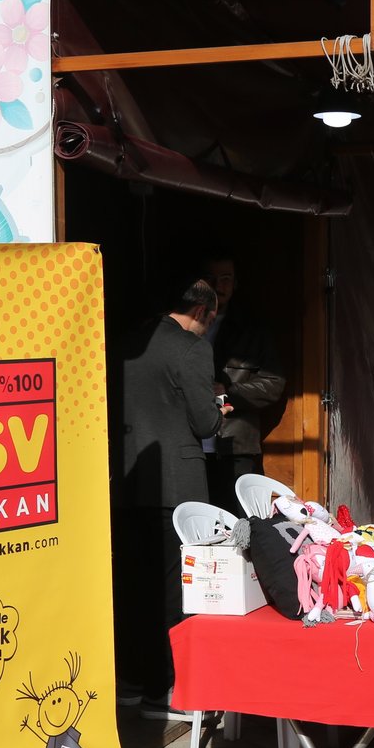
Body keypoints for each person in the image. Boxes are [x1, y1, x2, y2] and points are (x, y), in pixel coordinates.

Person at [110, 276, 231, 717]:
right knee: (172, 587)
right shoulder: (191, 348)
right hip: (176, 488)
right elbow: (203, 423)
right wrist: (218, 409)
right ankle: (164, 689)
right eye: (210, 320)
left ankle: (129, 682)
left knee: (131, 585)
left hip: (126, 482)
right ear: (200, 312)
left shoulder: (126, 342)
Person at [201, 254, 285, 513]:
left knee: (240, 522)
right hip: (191, 447)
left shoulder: (251, 330)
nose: (218, 286)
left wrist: (229, 392)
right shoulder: (185, 328)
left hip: (235, 446)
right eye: (211, 278)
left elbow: (274, 383)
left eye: (226, 278)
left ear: (236, 283)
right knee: (199, 522)